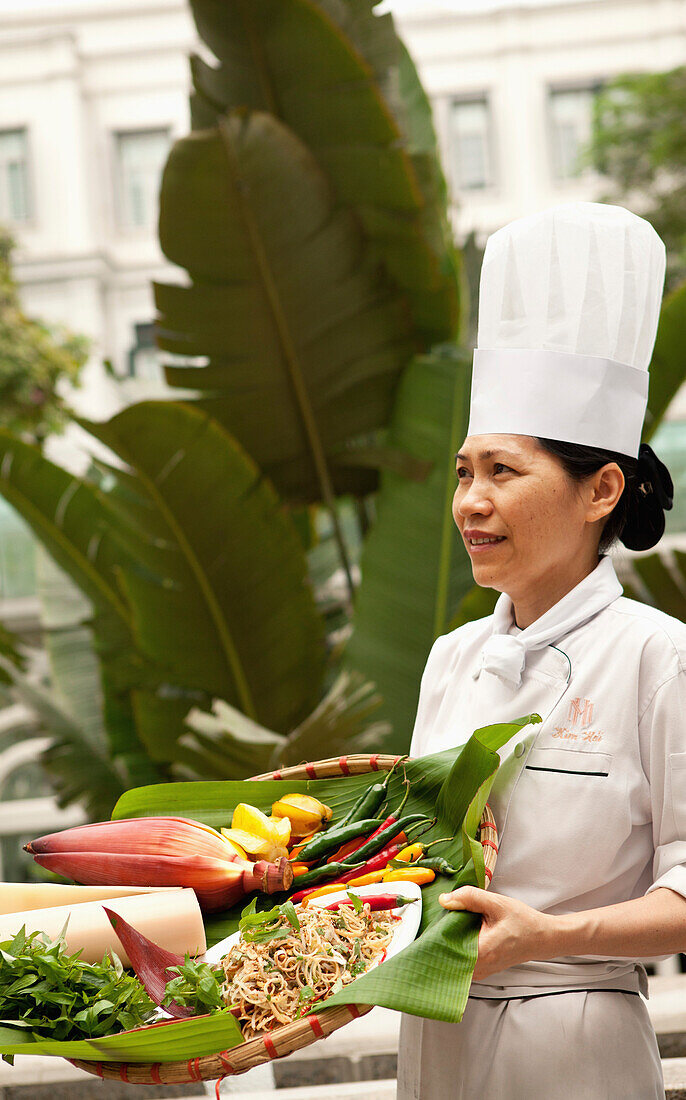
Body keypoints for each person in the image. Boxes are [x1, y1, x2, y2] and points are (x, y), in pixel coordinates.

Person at [396, 202, 686, 1100]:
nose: (471, 502)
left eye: (503, 472)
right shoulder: (450, 658)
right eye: (463, 472)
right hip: (433, 1032)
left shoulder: (658, 655)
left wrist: (547, 936)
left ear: (601, 489)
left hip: (575, 1046)